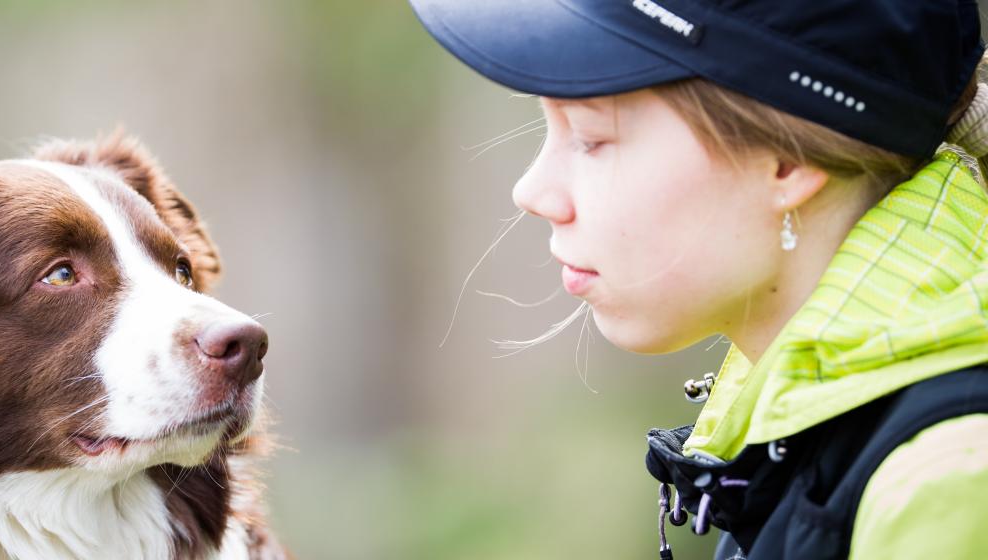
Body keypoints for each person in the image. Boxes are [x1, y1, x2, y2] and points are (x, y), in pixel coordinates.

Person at [410, 1, 988, 559]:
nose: (532, 192)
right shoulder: (801, 416)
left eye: (591, 139)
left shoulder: (945, 477)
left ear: (786, 162)